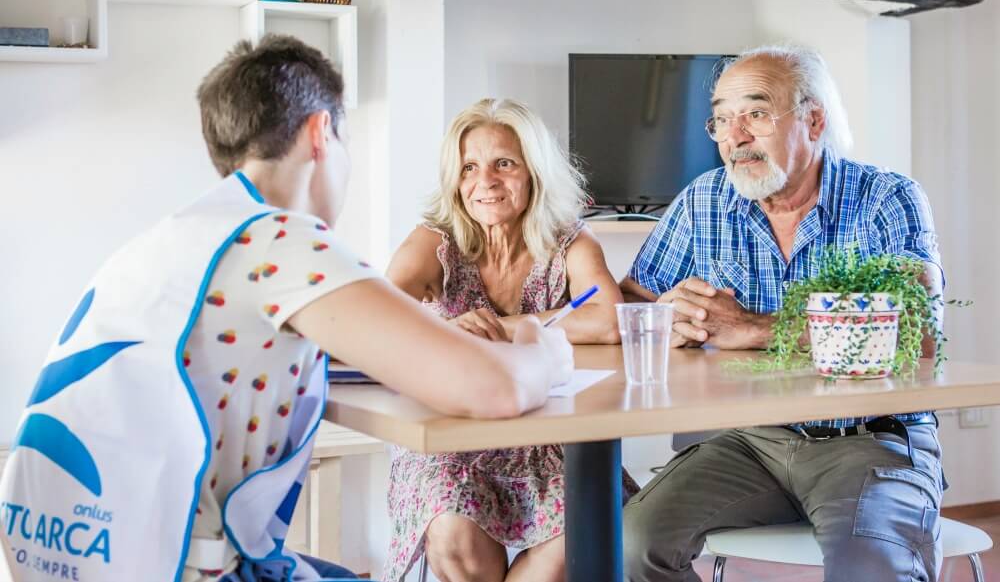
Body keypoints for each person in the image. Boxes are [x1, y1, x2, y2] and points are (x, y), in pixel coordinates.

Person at [0, 37, 573, 582]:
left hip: (65, 556)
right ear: (321, 133)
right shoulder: (281, 243)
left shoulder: (178, 238)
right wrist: (543, 349)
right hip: (172, 564)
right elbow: (495, 389)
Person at [620, 45, 945, 582]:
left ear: (813, 120)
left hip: (869, 440)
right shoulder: (703, 200)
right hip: (747, 440)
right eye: (722, 119)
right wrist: (666, 316)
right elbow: (633, 299)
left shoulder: (886, 197)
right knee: (631, 541)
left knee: (871, 571)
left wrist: (750, 329)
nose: (734, 135)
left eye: (755, 113)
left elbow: (916, 334)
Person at [383, 98, 631, 582]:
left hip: (549, 437)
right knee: (455, 536)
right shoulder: (434, 241)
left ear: (533, 172)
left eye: (504, 164)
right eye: (469, 167)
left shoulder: (570, 240)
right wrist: (444, 332)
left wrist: (510, 326)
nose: (485, 182)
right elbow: (381, 319)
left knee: (579, 535)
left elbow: (610, 319)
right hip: (453, 435)